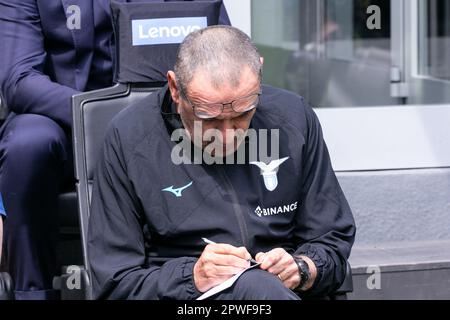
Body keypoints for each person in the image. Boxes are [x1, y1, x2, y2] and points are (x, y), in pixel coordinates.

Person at [88, 25, 356, 300]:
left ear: (259, 76)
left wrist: (303, 268)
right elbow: (115, 283)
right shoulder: (130, 137)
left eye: (243, 113)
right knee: (256, 288)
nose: (226, 136)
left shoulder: (293, 119)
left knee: (262, 288)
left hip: (288, 293)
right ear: (174, 88)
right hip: (189, 299)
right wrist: (191, 277)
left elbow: (331, 239)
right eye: (208, 117)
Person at [0, 0, 229, 300]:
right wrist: (97, 115)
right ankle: (31, 293)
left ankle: (214, 282)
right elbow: (19, 80)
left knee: (218, 120)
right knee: (27, 144)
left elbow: (223, 54)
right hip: (62, 125)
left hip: (163, 118)